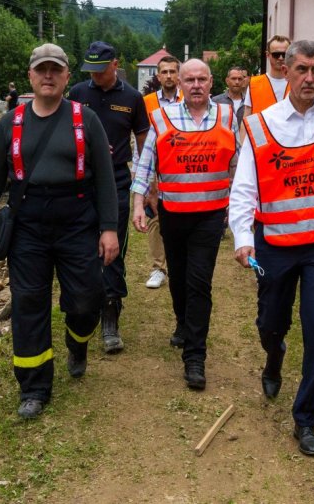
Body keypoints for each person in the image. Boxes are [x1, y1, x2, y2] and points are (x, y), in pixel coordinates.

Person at [0, 43, 119, 419]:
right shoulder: (10, 122)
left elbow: (105, 178)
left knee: (87, 299)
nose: (48, 76)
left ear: (67, 76)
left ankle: (77, 339)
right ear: (31, 76)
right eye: (41, 70)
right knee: (28, 304)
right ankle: (34, 387)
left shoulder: (86, 119)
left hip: (77, 220)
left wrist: (109, 228)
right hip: (28, 224)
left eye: (56, 69)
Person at [229, 40, 314, 457]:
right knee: (271, 322)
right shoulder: (262, 124)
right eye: (301, 69)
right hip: (276, 246)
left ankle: (305, 419)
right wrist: (243, 238)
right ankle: (274, 354)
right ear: (285, 71)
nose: (309, 78)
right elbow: (244, 189)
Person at [131, 59, 238, 390]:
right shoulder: (162, 118)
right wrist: (138, 202)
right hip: (173, 213)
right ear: (179, 82)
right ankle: (182, 323)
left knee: (199, 282)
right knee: (177, 279)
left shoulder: (226, 116)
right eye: (188, 79)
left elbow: (237, 161)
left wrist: (238, 202)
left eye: (201, 79)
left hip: (210, 216)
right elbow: (147, 162)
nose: (195, 85)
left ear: (210, 83)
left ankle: (195, 357)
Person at [68, 41, 149, 354]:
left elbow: (145, 146)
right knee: (83, 249)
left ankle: (111, 315)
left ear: (115, 64)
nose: (96, 76)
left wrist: (147, 185)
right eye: (91, 71)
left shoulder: (132, 98)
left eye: (101, 70)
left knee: (111, 250)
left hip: (115, 181)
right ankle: (83, 309)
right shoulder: (77, 94)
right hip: (80, 182)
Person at [139, 55, 183, 295]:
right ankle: (158, 268)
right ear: (157, 76)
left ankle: (179, 264)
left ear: (179, 75)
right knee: (154, 217)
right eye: (164, 72)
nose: (168, 76)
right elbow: (141, 140)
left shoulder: (188, 99)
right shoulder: (146, 102)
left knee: (178, 219)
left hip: (180, 169)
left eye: (172, 72)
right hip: (154, 168)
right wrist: (144, 178)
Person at [243, 35, 291, 116]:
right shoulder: (254, 84)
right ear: (267, 55)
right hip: (262, 128)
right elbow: (246, 118)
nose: (280, 58)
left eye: (284, 54)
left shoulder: (297, 82)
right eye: (276, 54)